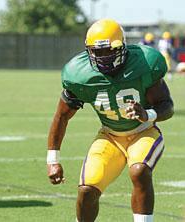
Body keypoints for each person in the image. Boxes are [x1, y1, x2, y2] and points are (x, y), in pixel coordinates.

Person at [47, 19, 174, 222]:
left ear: (122, 47)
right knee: (87, 189)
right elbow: (61, 116)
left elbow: (167, 106)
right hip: (110, 135)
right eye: (98, 52)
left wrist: (147, 114)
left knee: (139, 170)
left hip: (143, 131)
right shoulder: (79, 75)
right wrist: (52, 160)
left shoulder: (144, 63)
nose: (103, 57)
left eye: (109, 51)